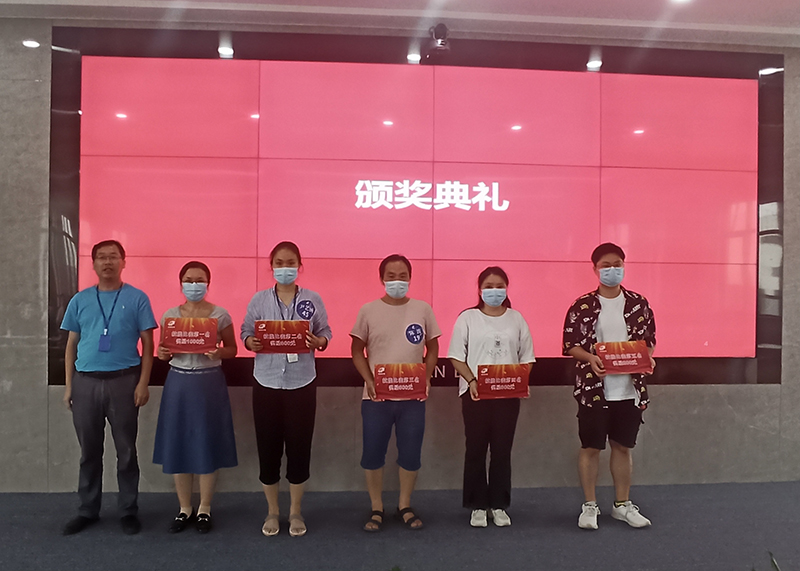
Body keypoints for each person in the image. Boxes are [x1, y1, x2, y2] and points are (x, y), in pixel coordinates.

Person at [60, 240, 157, 535]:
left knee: (126, 451)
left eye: (113, 257)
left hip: (124, 382)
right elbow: (71, 345)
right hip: (85, 383)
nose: (107, 262)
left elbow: (149, 345)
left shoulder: (137, 298)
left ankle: (128, 510)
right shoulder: (80, 300)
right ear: (93, 264)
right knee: (89, 452)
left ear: (123, 262)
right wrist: (69, 386)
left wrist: (143, 383)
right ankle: (87, 510)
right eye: (101, 257)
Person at [562, 242, 656, 530]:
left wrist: (647, 358)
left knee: (622, 447)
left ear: (624, 266)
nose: (612, 269)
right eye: (606, 265)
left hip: (629, 389)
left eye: (617, 264)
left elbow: (649, 342)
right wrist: (590, 358)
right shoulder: (582, 305)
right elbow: (570, 345)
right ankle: (590, 505)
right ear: (595, 269)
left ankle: (622, 504)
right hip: (593, 390)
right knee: (591, 447)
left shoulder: (639, 303)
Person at [241, 241, 331, 538]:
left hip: (301, 382)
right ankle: (272, 511)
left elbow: (325, 332)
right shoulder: (259, 300)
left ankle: (295, 511)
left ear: (299, 266)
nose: (284, 268)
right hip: (266, 382)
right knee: (268, 448)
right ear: (271, 266)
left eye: (290, 262)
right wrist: (250, 342)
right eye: (279, 263)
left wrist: (319, 342)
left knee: (299, 448)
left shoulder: (313, 299)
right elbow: (246, 331)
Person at [350, 254, 440, 532]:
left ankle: (404, 505)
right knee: (373, 453)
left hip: (413, 398)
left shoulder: (423, 309)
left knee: (411, 454)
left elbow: (433, 347)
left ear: (410, 278)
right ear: (381, 279)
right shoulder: (368, 310)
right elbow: (357, 350)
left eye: (402, 276)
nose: (397, 281)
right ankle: (376, 507)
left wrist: (426, 376)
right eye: (391, 276)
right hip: (376, 398)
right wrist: (369, 380)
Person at [153, 261, 238, 534]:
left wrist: (219, 353)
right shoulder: (170, 316)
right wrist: (162, 354)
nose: (194, 285)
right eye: (189, 280)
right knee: (178, 443)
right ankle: (184, 509)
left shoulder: (220, 315)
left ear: (208, 283)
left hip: (208, 383)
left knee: (206, 443)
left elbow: (233, 349)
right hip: (178, 382)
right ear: (180, 283)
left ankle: (204, 509)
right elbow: (163, 350)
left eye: (199, 280)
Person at [447, 267, 535, 528]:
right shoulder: (467, 318)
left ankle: (499, 504)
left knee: (501, 450)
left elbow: (527, 358)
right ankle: (477, 505)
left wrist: (518, 381)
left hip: (507, 396)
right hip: (475, 394)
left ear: (506, 289)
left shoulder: (516, 319)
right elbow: (456, 356)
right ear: (479, 289)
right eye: (488, 286)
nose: (494, 291)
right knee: (475, 449)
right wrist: (472, 381)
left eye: (499, 286)